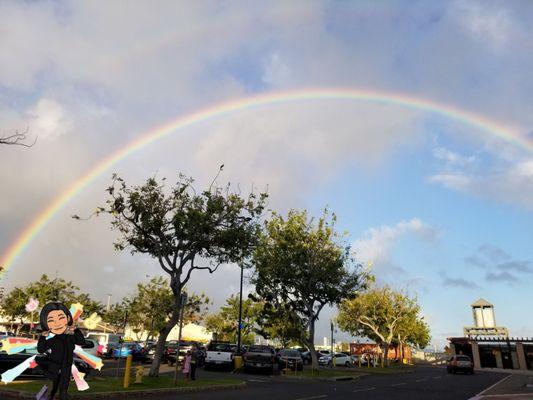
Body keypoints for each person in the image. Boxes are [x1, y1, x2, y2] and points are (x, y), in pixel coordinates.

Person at [37, 302, 86, 400]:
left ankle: (63, 395)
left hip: (66, 366)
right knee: (53, 387)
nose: (57, 323)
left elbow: (81, 341)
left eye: (61, 318)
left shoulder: (70, 337)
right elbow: (41, 349)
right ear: (46, 324)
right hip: (54, 366)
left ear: (67, 319)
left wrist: (75, 330)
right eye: (51, 320)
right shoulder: (53, 340)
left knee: (64, 385)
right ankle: (50, 396)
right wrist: (42, 337)